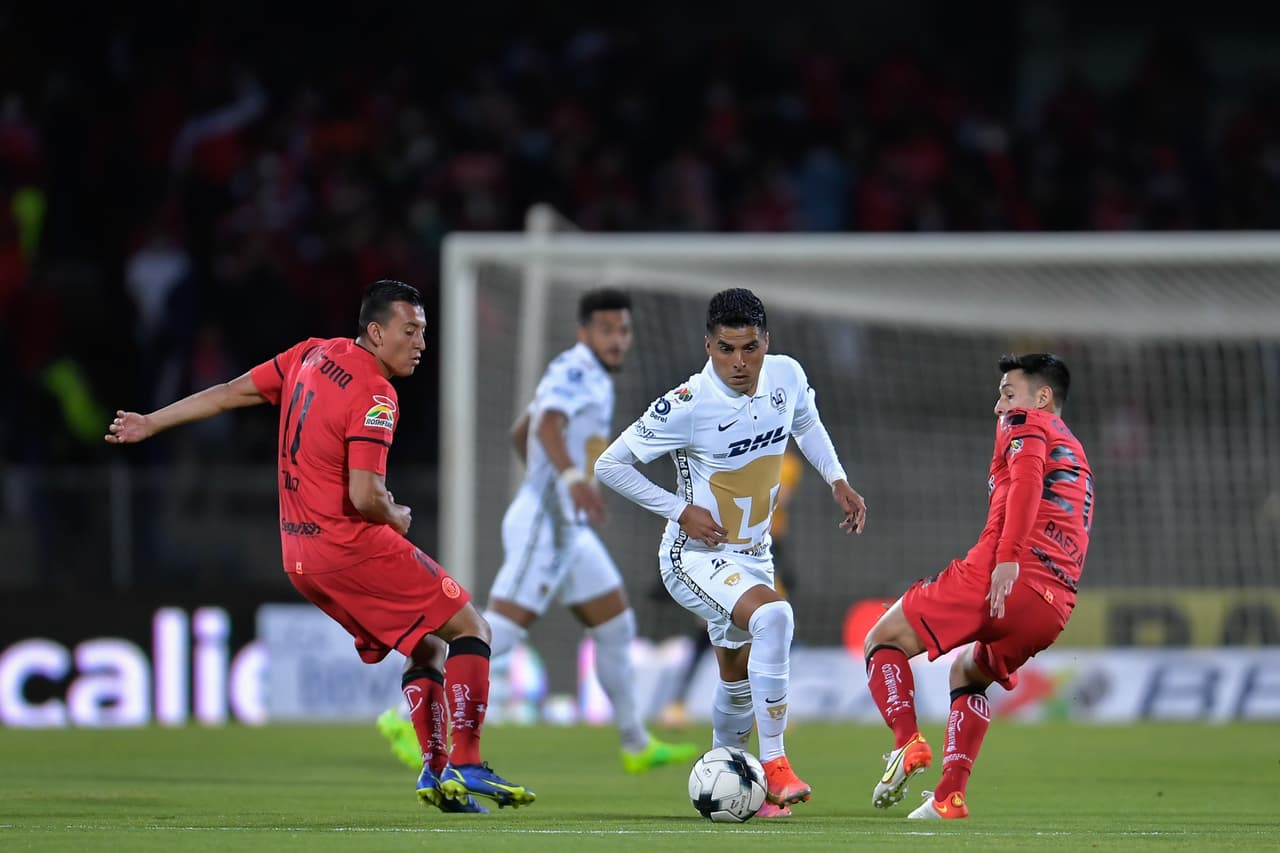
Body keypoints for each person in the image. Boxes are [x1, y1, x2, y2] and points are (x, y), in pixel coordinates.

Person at [105, 279, 534, 814]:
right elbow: (365, 496)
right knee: (472, 628)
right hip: (350, 546)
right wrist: (395, 514)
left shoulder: (310, 355)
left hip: (300, 557)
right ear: (375, 332)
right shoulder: (377, 394)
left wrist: (151, 421)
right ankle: (467, 762)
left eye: (423, 331)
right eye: (409, 331)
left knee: (426, 645)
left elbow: (231, 392)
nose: (421, 343)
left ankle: (435, 768)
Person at [379, 288, 697, 772]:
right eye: (607, 330)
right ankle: (406, 716)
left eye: (623, 330)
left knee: (615, 624)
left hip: (568, 528)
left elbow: (520, 431)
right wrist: (565, 483)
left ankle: (636, 744)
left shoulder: (590, 376)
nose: (617, 340)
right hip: (543, 526)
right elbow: (546, 425)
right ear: (584, 333)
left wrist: (554, 483)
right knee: (494, 631)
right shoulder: (576, 370)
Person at [594, 287, 867, 818]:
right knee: (775, 615)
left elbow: (806, 422)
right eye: (725, 349)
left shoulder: (786, 375)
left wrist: (837, 480)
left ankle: (740, 788)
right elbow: (610, 464)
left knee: (736, 679)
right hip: (693, 556)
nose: (739, 362)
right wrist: (680, 510)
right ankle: (776, 764)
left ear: (767, 342)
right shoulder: (688, 404)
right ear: (708, 346)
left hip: (754, 553)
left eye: (749, 348)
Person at [862, 353, 1093, 820]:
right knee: (968, 673)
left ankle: (906, 741)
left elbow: (1027, 481)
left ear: (1041, 397)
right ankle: (949, 796)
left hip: (1002, 574)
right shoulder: (1077, 454)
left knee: (882, 639)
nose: (999, 406)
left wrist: (1007, 559)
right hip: (1053, 605)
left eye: (1007, 394)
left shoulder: (1026, 422)